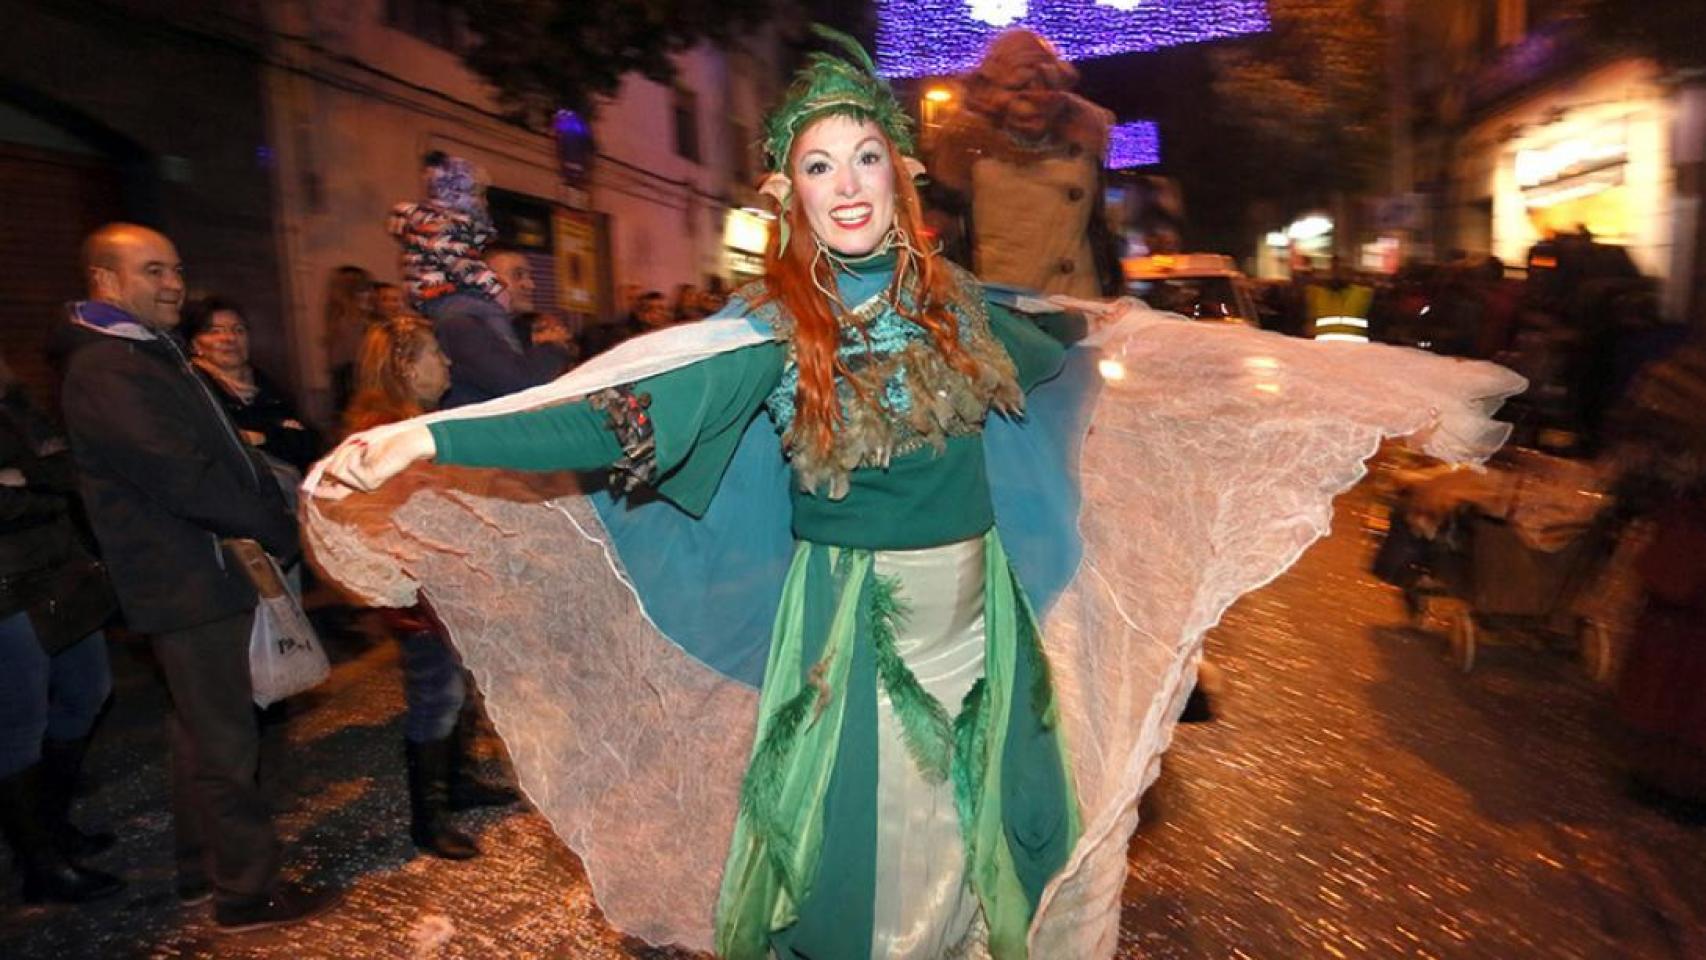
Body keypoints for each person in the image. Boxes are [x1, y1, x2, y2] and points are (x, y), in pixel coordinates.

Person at [309, 30, 1523, 960]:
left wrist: (1325, 384)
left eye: (864, 159)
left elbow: (1103, 350)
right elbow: (613, 410)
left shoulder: (970, 310)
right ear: (789, 193)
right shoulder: (769, 335)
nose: (844, 185)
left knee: (985, 837)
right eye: (816, 167)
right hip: (850, 634)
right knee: (872, 850)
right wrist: (425, 433)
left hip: (982, 622)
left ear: (898, 177)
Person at [53, 223, 338, 932]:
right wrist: (278, 527)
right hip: (191, 582)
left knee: (201, 734)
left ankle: (197, 871)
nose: (173, 285)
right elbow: (184, 476)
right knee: (227, 745)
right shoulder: (107, 368)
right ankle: (245, 892)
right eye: (152, 272)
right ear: (106, 283)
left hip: (200, 576)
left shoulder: (149, 353)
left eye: (176, 269)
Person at [343, 318, 519, 860]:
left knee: (455, 688)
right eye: (435, 353)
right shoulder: (386, 433)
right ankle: (428, 818)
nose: (447, 362)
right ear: (406, 366)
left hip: (441, 588)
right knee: (434, 697)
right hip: (418, 596)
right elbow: (398, 519)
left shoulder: (412, 423)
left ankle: (458, 783)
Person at [0, 353, 121, 904]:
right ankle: (40, 863)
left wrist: (26, 478)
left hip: (61, 569)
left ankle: (49, 824)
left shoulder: (17, 401)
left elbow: (69, 471)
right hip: (7, 586)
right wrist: (36, 479)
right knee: (20, 724)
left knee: (87, 692)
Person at [928, 29, 1123, 298]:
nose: (1035, 98)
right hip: (1006, 314)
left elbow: (1099, 227)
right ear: (993, 86)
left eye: (1045, 85)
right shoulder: (965, 145)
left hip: (1082, 303)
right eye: (1020, 87)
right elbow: (941, 233)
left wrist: (1112, 287)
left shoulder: (1085, 134)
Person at [181, 297, 323, 473]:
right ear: (195, 345)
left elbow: (310, 444)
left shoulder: (269, 387)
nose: (229, 338)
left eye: (238, 330)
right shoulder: (195, 389)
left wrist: (262, 437)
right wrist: (279, 433)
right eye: (215, 331)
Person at [432, 242, 572, 407]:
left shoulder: (513, 328)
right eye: (517, 275)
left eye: (529, 276)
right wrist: (552, 345)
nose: (530, 285)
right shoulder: (461, 326)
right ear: (482, 279)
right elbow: (520, 385)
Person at [322, 264, 378, 416]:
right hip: (357, 385)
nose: (371, 294)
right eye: (363, 289)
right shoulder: (352, 323)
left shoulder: (338, 321)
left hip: (349, 384)